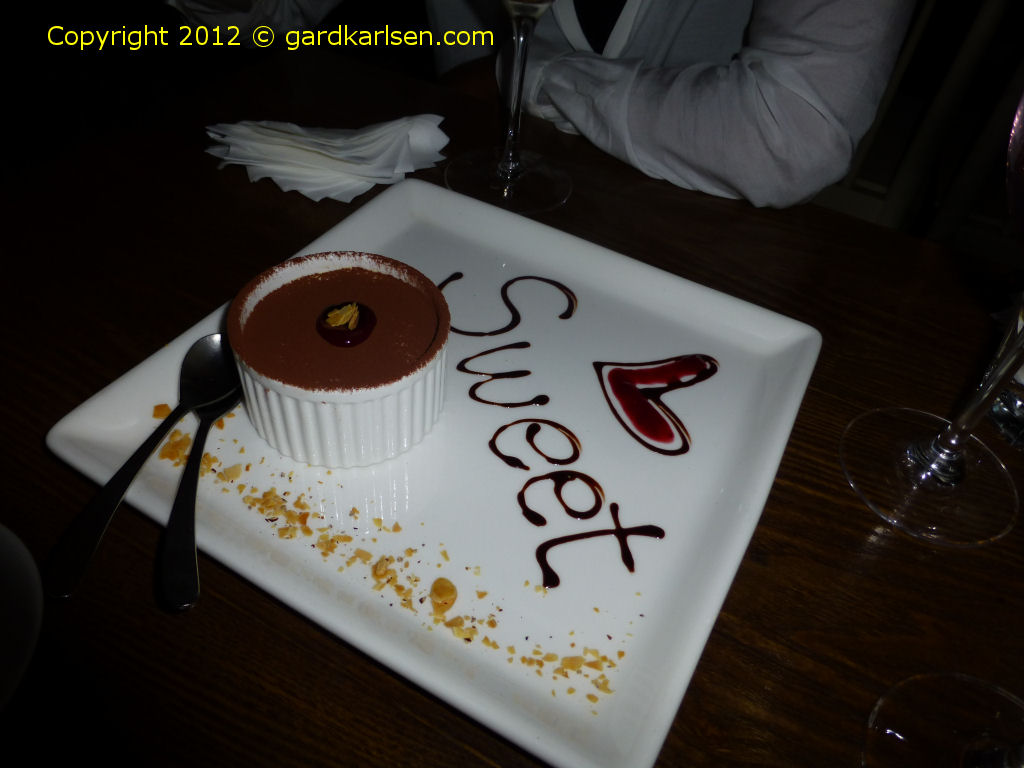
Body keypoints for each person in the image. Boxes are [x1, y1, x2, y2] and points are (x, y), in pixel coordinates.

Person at [166, 0, 917, 208]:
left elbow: (791, 131)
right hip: (449, 189)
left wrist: (518, 75)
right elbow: (275, 17)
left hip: (696, 232)